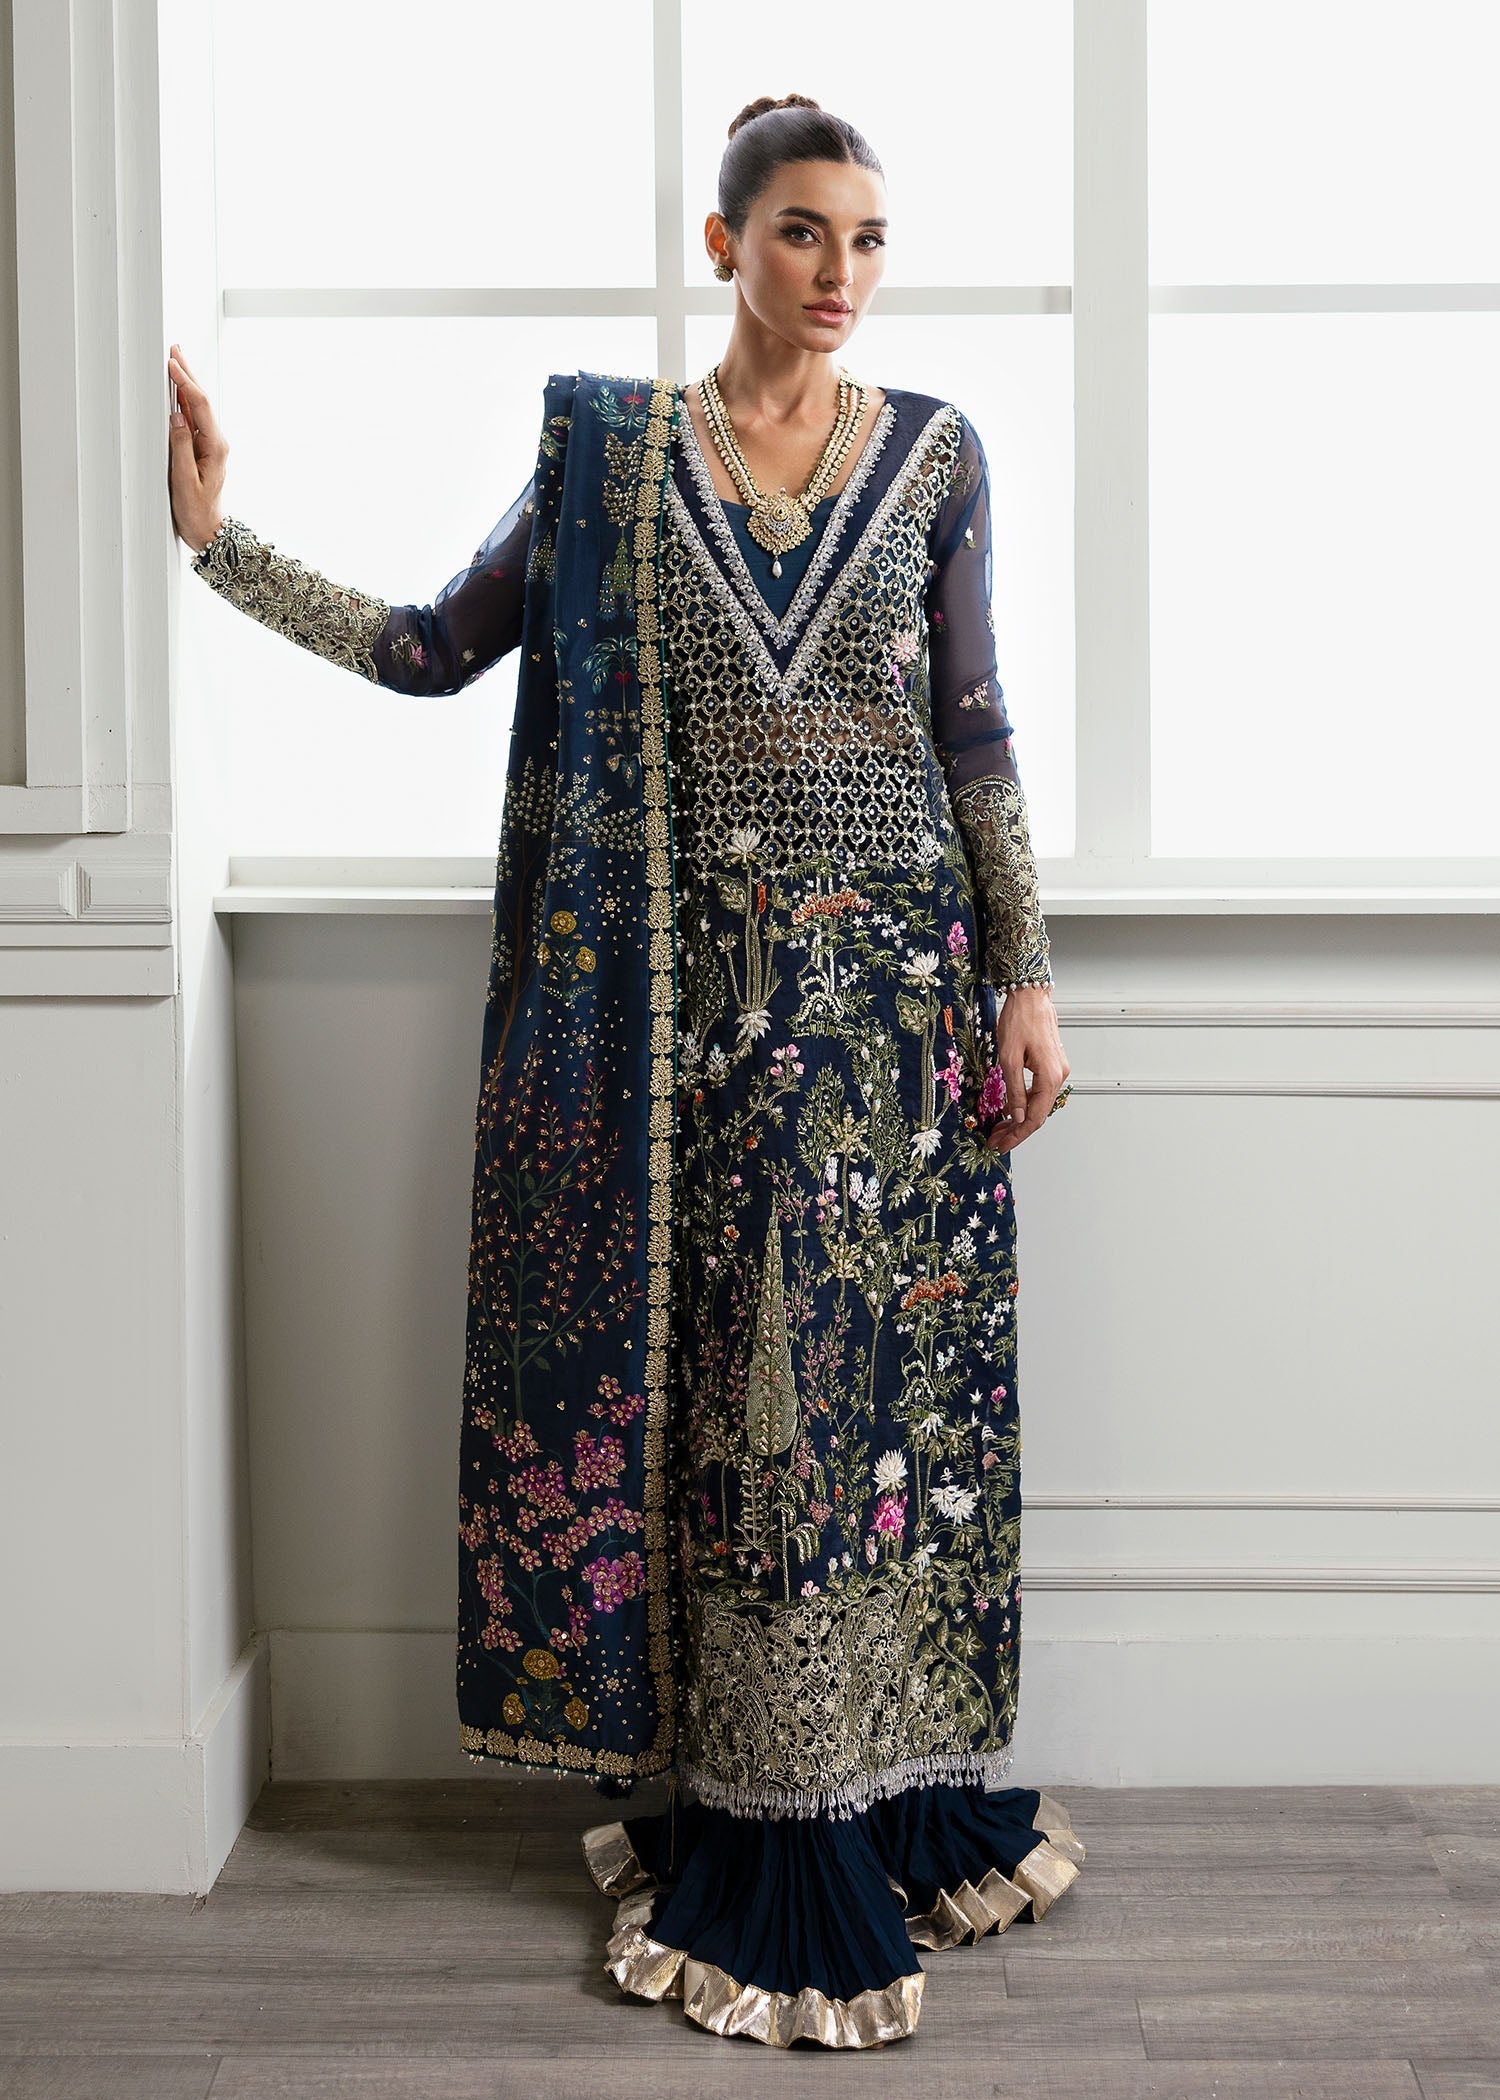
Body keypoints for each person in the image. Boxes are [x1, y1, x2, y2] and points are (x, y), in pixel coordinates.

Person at [168, 92, 1080, 2050]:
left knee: (877, 1419)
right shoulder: (613, 459)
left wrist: (1026, 980)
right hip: (698, 1041)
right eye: (803, 232)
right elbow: (433, 648)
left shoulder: (937, 453)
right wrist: (218, 544)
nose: (839, 274)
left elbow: (978, 733)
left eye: (868, 240)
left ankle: (878, 1794)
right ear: (723, 242)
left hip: (899, 1036)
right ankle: (757, 1823)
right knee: (746, 1424)